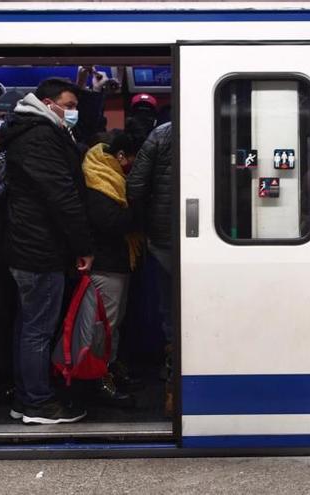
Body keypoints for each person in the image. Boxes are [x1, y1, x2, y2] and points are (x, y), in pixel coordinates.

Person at [0, 77, 94, 424]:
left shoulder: (35, 130)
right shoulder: (40, 136)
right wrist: (83, 246)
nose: (74, 112)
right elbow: (62, 196)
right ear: (47, 102)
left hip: (30, 245)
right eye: (68, 106)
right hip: (39, 248)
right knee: (38, 329)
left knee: (29, 327)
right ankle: (37, 402)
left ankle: (26, 398)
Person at [81, 131, 144, 403]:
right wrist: (137, 212)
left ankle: (107, 370)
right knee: (102, 326)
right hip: (106, 263)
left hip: (117, 262)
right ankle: (96, 380)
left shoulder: (111, 176)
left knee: (111, 325)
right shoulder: (99, 181)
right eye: (131, 159)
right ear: (119, 156)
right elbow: (111, 222)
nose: (132, 165)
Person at [127, 121, 174, 415]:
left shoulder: (159, 134)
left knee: (170, 312)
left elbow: (136, 186)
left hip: (164, 237)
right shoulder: (223, 120)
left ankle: (172, 383)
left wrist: (144, 224)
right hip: (221, 233)